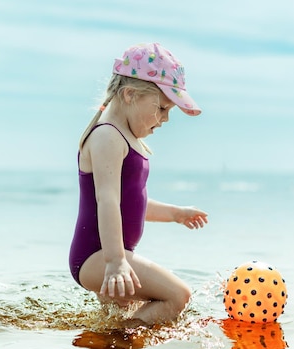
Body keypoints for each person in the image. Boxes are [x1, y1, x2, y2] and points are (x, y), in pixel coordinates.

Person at [69, 42, 208, 325]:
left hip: (108, 255)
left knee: (119, 318)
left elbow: (131, 203)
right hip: (99, 256)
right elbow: (107, 201)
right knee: (178, 296)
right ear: (130, 94)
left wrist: (174, 213)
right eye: (162, 108)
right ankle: (121, 344)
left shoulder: (125, 137)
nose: (166, 119)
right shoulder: (108, 136)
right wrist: (115, 261)